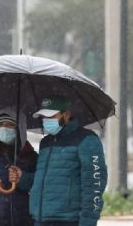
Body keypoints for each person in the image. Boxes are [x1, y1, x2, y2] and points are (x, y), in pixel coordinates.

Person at [9, 97, 108, 226]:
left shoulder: (87, 140)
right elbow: (47, 181)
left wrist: (87, 222)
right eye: (43, 117)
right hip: (40, 220)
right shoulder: (46, 143)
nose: (46, 121)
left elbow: (94, 186)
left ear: (66, 115)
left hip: (68, 221)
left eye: (51, 116)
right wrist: (22, 178)